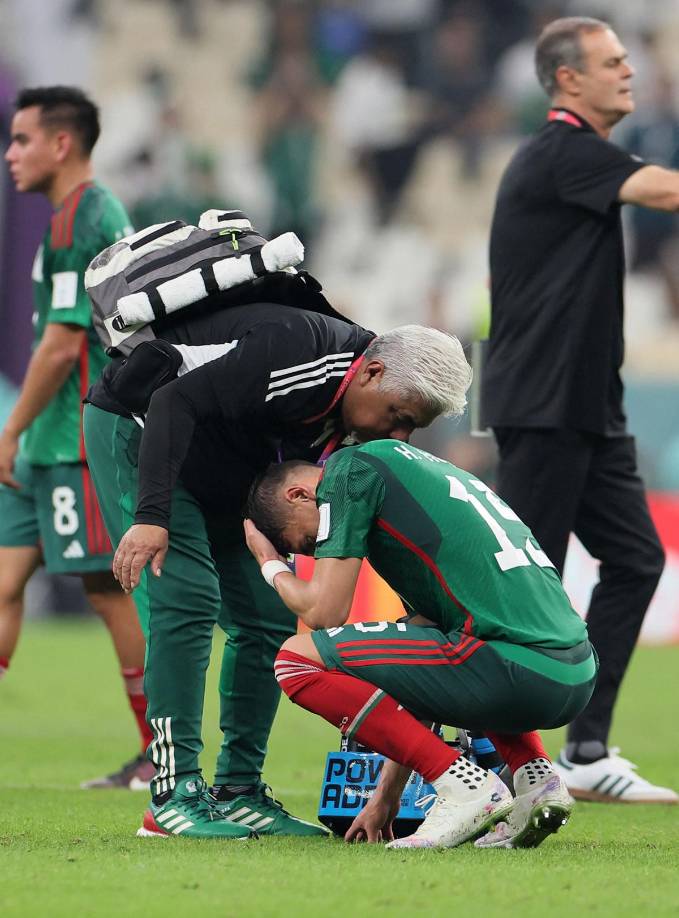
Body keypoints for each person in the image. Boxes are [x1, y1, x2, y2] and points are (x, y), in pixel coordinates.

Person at [83, 303, 472, 839]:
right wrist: (151, 518)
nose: (400, 434)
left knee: (268, 615)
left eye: (413, 427)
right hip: (142, 428)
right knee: (188, 600)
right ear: (374, 373)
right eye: (400, 416)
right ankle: (172, 796)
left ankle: (239, 790)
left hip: (222, 461)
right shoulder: (300, 351)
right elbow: (174, 399)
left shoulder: (358, 415)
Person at [481, 17, 679, 804]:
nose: (628, 72)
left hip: (588, 406)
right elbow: (664, 190)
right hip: (542, 405)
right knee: (522, 588)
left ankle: (585, 750)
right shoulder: (559, 151)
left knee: (634, 560)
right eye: (611, 62)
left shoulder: (579, 157)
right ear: (567, 80)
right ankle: (482, 760)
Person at [244, 438, 597, 849]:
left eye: (307, 544)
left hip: (515, 669)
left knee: (296, 661)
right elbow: (418, 678)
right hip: (574, 672)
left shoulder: (349, 471)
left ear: (300, 495)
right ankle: (535, 778)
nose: (320, 550)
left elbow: (324, 614)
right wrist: (386, 797)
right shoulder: (419, 480)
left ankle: (468, 789)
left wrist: (270, 564)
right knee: (448, 649)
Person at [0, 86, 154, 790]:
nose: (10, 154)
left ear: (62, 144)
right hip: (49, 443)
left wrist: (11, 428)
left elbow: (62, 345)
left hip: (73, 437)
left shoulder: (81, 219)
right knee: (4, 584)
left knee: (108, 589)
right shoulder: (75, 214)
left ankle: (163, 750)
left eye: (22, 139)